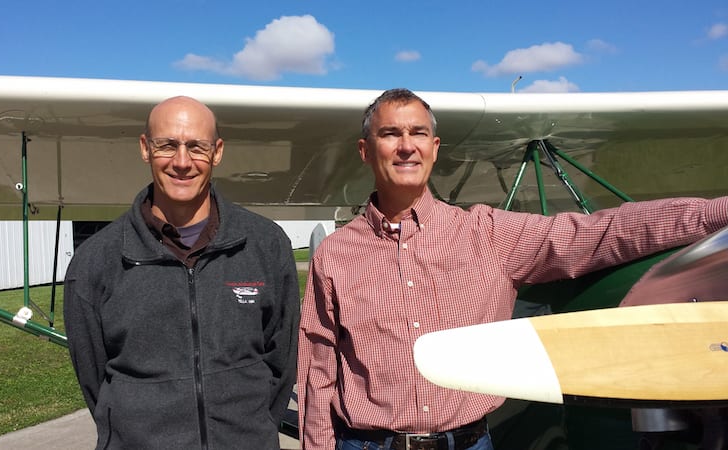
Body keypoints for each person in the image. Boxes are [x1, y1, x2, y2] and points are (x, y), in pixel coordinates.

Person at [297, 88, 728, 450]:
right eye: (390, 134)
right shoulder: (335, 254)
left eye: (418, 133)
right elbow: (318, 372)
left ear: (434, 147)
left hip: (468, 440)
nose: (406, 145)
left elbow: (599, 232)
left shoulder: (489, 233)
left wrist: (715, 215)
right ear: (365, 150)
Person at [64, 96, 300, 449]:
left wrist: (252, 429)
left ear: (217, 152)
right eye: (167, 145)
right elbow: (94, 379)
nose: (182, 162)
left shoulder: (265, 245)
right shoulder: (96, 261)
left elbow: (282, 363)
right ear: (145, 148)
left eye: (197, 147)